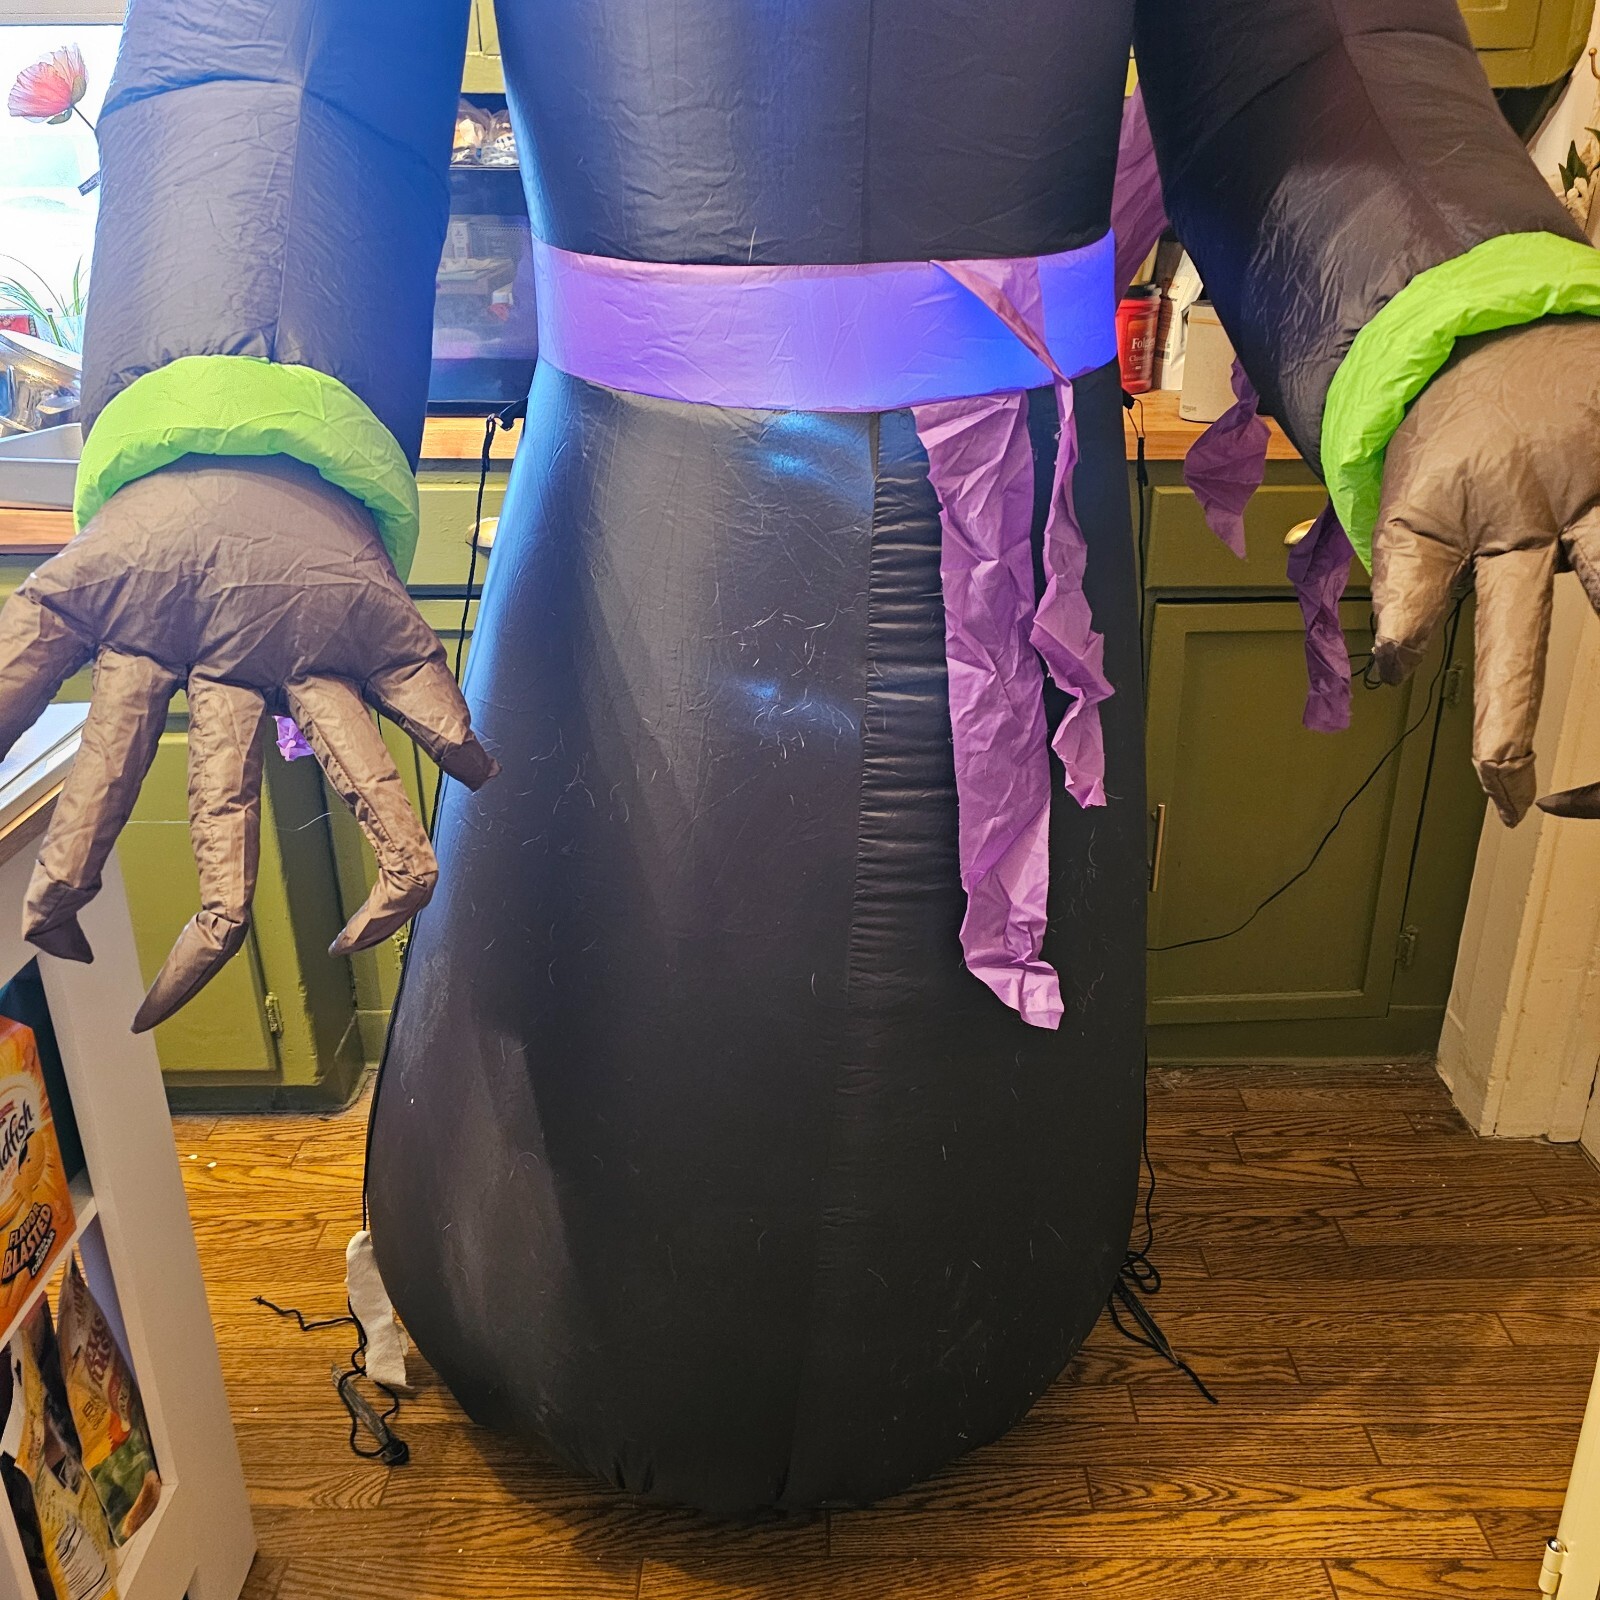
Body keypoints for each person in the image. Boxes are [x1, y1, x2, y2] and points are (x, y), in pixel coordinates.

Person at [2, 0, 1597, 1512]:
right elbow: (290, 50)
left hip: (997, 527)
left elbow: (1305, 46)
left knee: (970, 1054)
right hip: (657, 539)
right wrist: (232, 400)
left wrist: (1448, 298)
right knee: (639, 982)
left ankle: (977, 1307)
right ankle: (568, 1317)